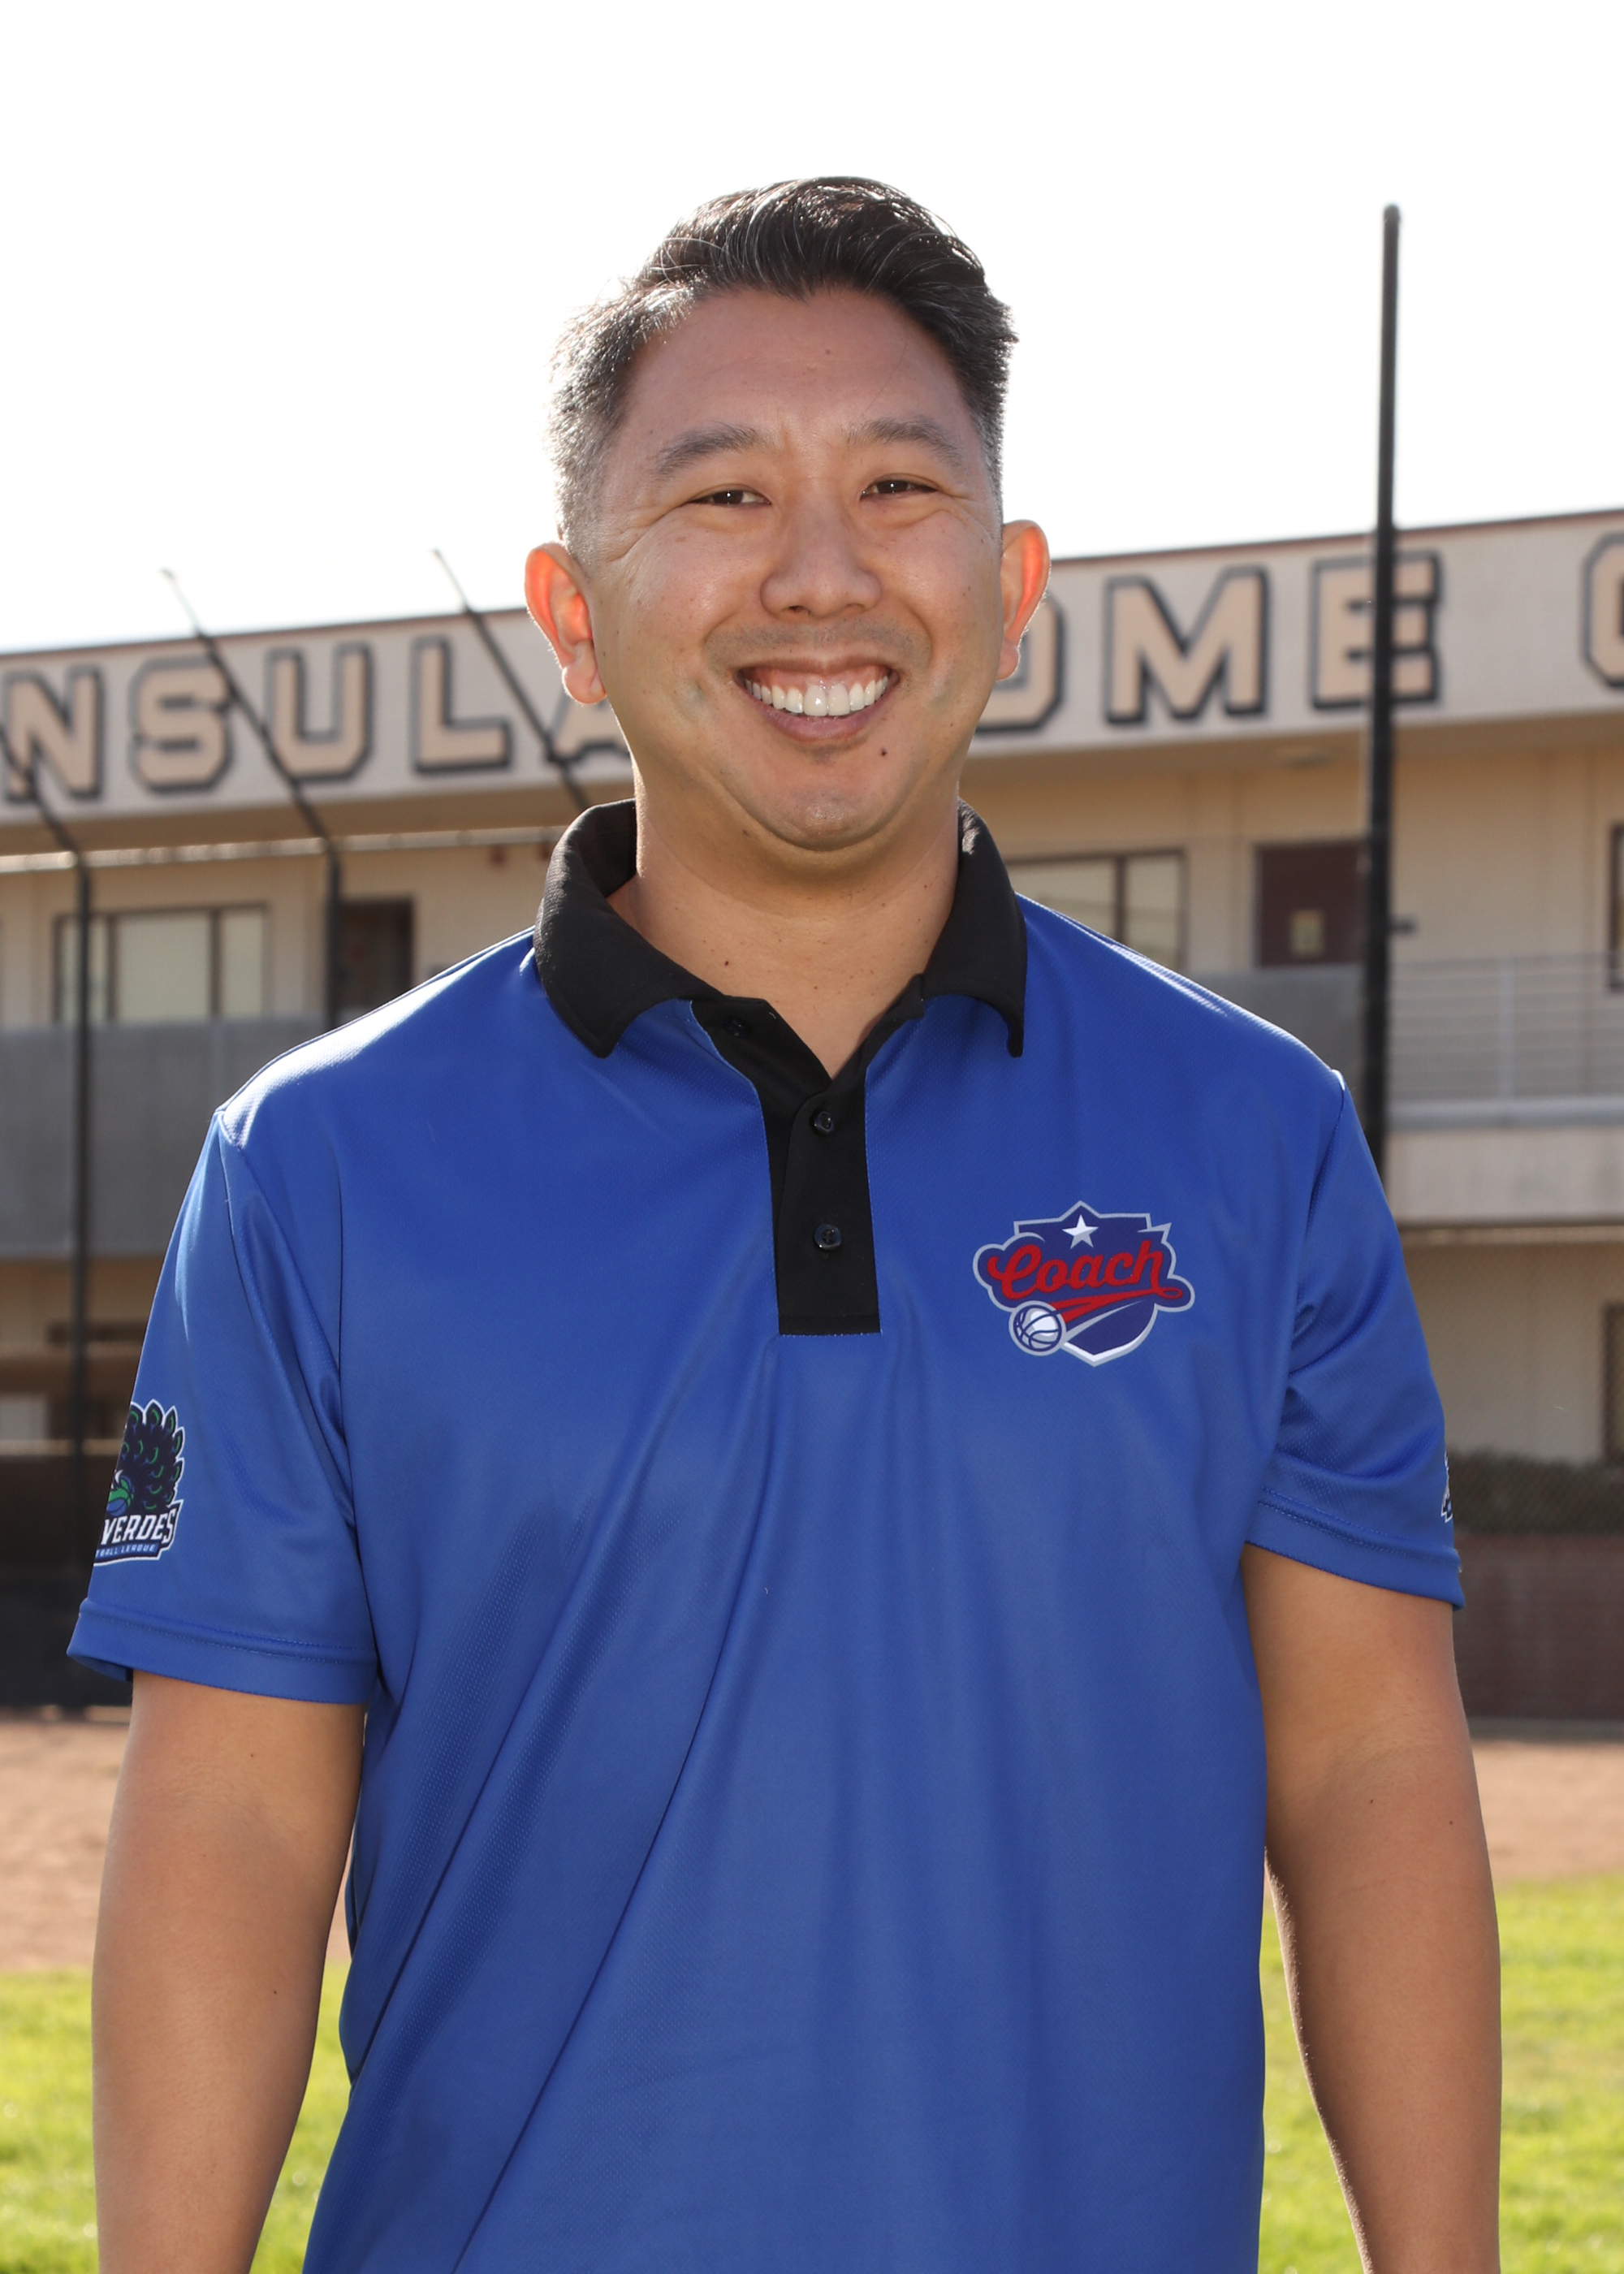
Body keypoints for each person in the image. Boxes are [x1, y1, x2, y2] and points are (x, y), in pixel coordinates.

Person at [78, 178, 1500, 2273]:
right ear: (573, 612)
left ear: (1011, 585)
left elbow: (1369, 1761)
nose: (822, 573)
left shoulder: (1256, 1133)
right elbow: (229, 1821)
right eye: (724, 493)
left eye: (900, 487)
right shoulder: (315, 1165)